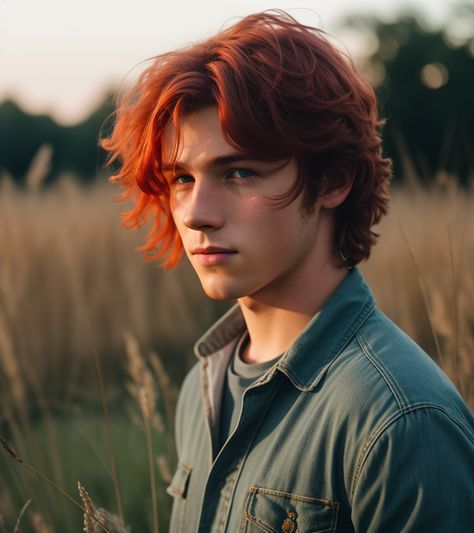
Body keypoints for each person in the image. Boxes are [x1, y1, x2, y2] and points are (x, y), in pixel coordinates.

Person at [102, 10, 474, 532]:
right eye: (182, 178)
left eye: (240, 172)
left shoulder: (402, 420)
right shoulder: (201, 388)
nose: (194, 213)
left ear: (333, 180)